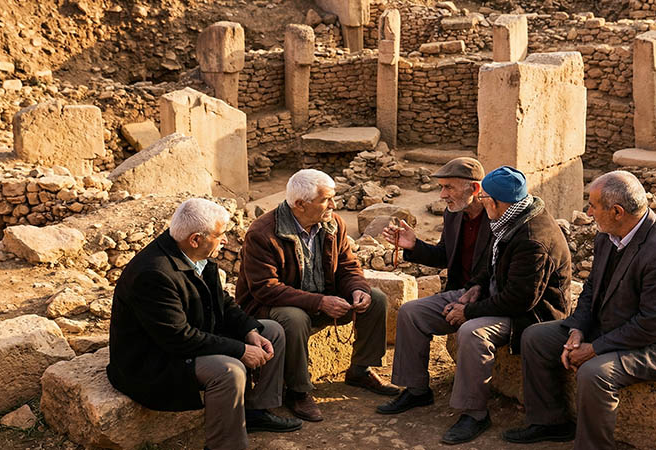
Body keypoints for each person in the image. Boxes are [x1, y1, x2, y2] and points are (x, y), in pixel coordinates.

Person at [503, 171, 656, 450]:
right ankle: (550, 422)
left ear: (617, 211)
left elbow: (654, 325)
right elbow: (591, 290)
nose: (588, 211)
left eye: (593, 206)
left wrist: (594, 348)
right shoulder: (608, 236)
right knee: (535, 338)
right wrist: (577, 329)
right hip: (611, 327)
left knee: (594, 372)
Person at [377, 166, 572, 445]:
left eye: (449, 187)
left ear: (489, 199)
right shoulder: (509, 217)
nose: (443, 194)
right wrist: (474, 288)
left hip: (528, 314)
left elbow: (520, 300)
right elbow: (489, 265)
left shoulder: (531, 238)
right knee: (412, 312)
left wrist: (467, 311)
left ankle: (474, 414)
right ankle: (417, 390)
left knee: (472, 331)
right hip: (490, 296)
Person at [107, 198, 301, 450]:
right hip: (153, 362)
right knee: (229, 370)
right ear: (195, 239)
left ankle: (254, 412)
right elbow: (179, 339)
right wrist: (240, 350)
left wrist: (249, 331)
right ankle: (225, 445)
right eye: (220, 235)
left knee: (271, 331)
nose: (225, 241)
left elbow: (223, 303)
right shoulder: (153, 274)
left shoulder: (195, 255)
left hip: (189, 338)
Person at [236, 169, 398, 423]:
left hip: (319, 300)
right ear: (300, 204)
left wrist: (358, 289)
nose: (333, 205)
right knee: (294, 318)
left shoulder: (333, 224)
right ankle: (298, 391)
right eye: (326, 200)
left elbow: (347, 267)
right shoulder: (263, 233)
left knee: (375, 299)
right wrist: (320, 301)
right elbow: (265, 288)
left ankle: (360, 369)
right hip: (269, 307)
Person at [382, 157, 491, 291]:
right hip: (457, 293)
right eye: (442, 187)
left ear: (474, 188)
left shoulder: (496, 217)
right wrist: (414, 245)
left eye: (448, 187)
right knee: (409, 311)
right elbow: (444, 256)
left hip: (487, 297)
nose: (442, 195)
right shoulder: (453, 213)